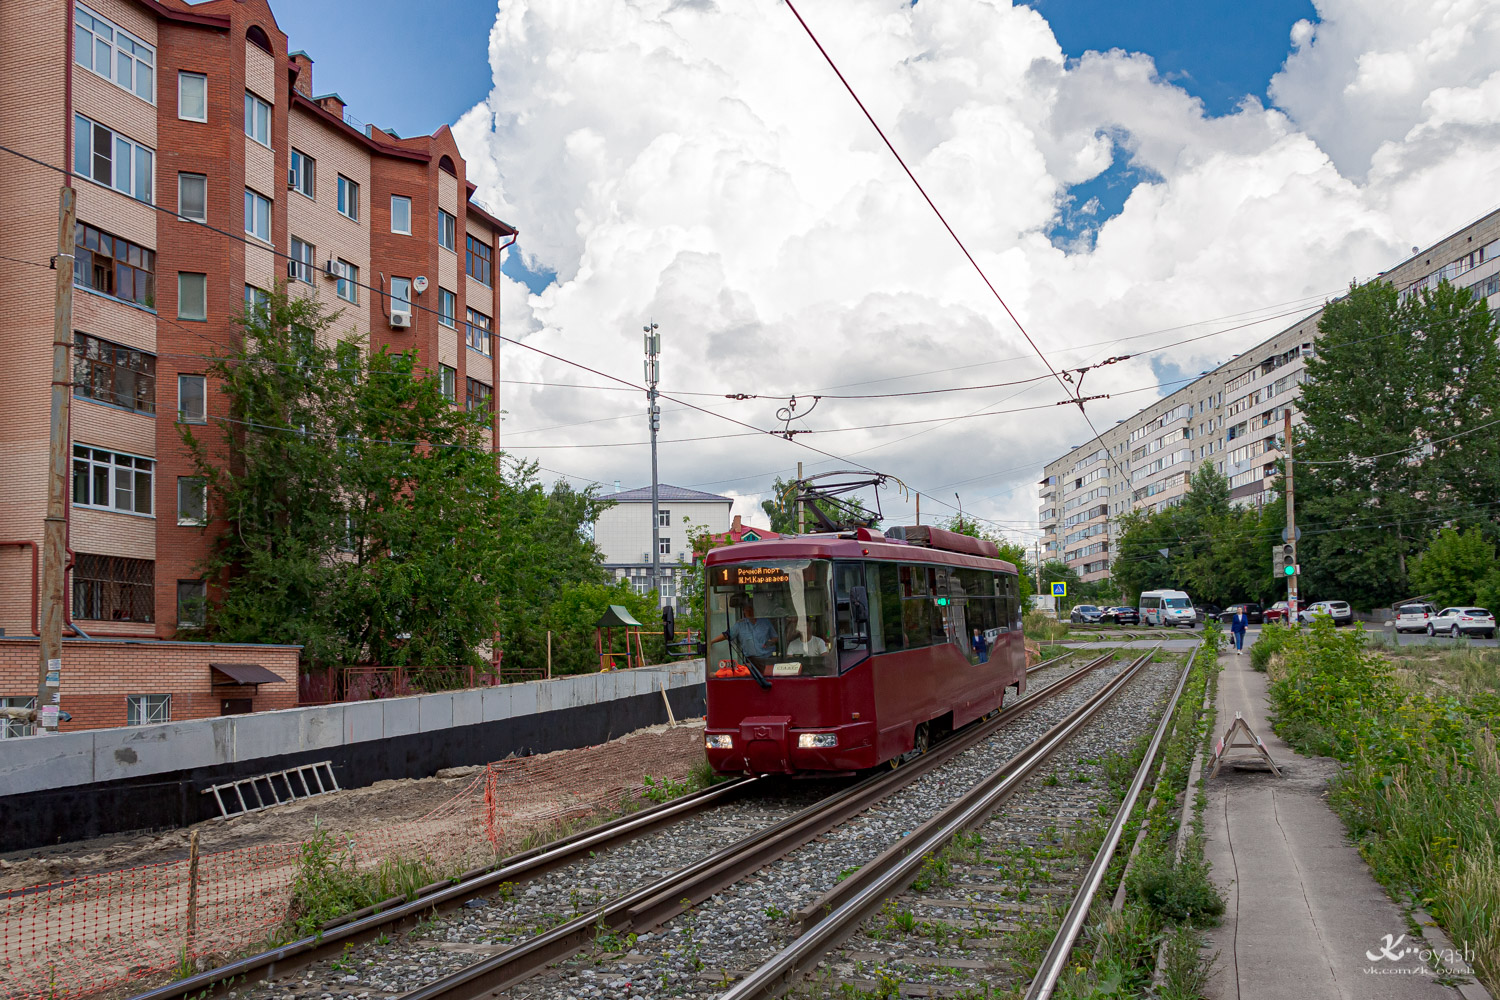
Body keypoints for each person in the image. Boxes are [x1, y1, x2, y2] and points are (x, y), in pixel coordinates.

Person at [714, 594, 777, 659]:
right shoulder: (740, 625)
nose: (748, 612)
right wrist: (711, 642)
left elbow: (775, 637)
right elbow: (726, 635)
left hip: (769, 658)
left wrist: (770, 642)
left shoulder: (765, 621)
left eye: (750, 609)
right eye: (746, 610)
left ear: (755, 610)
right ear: (743, 611)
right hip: (751, 661)